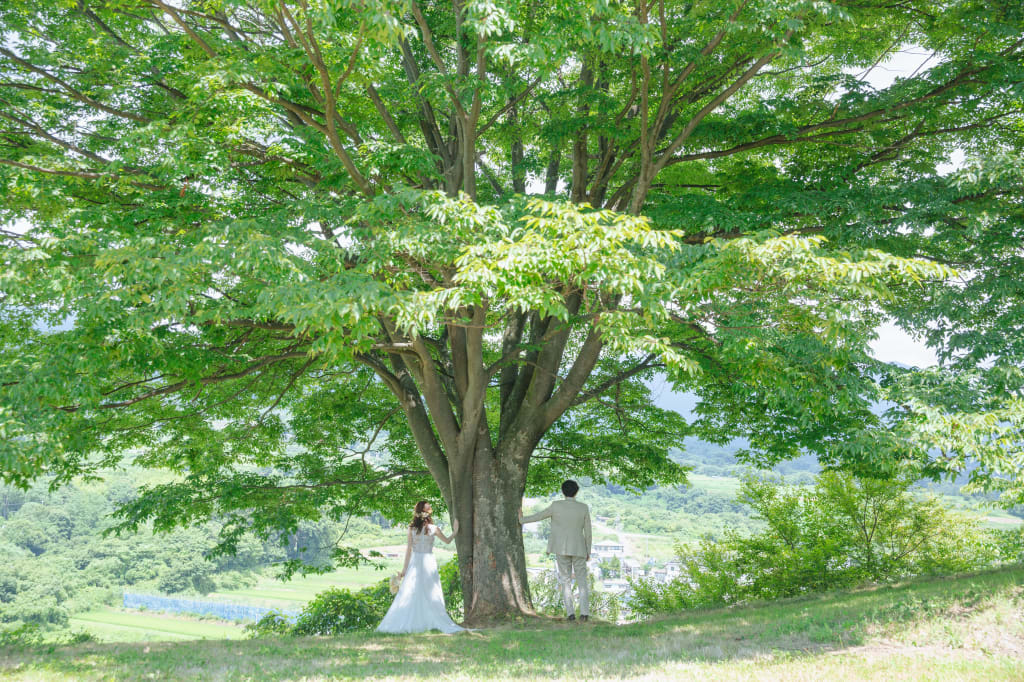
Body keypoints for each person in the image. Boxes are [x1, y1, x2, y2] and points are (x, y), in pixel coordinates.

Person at [376, 501, 465, 634]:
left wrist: (405, 570)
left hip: (417, 561)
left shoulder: (413, 528)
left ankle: (420, 621)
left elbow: (408, 550)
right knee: (421, 590)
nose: (430, 509)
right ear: (426, 512)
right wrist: (455, 532)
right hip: (427, 560)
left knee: (415, 590)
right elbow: (447, 541)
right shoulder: (432, 528)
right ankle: (425, 621)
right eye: (428, 507)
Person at [519, 479, 593, 622]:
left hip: (561, 548)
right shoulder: (583, 508)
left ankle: (570, 614)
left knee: (565, 581)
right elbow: (588, 532)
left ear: (563, 491)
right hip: (579, 548)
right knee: (582, 581)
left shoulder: (556, 506)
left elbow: (539, 516)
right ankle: (584, 614)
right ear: (576, 492)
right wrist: (588, 550)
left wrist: (522, 520)